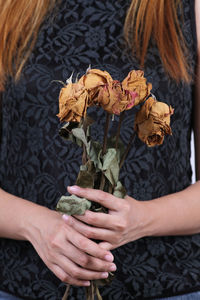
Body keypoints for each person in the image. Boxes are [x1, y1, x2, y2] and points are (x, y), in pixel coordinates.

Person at [0, 0, 199, 299]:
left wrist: (142, 219)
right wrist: (34, 225)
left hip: (165, 282)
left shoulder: (188, 8)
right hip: (21, 283)